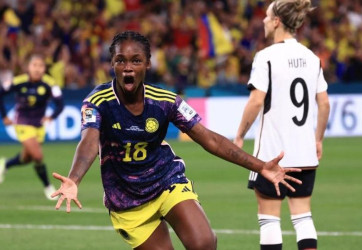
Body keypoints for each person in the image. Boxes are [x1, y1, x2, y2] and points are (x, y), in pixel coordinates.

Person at [51, 30, 302, 250]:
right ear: (112, 64)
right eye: (121, 60)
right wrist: (74, 179)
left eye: (136, 61)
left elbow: (209, 140)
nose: (128, 67)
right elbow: (88, 142)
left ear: (148, 64)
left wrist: (261, 167)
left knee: (204, 243)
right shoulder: (97, 102)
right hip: (126, 200)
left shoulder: (165, 101)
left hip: (166, 182)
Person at [234, 1, 330, 250]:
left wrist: (239, 136)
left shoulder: (266, 57)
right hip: (304, 153)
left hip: (272, 155)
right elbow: (324, 103)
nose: (263, 21)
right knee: (303, 217)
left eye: (267, 17)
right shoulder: (312, 57)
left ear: (277, 21)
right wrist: (318, 139)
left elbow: (256, 102)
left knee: (269, 219)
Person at [0, 54, 64, 200]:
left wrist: (51, 117)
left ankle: (5, 164)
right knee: (38, 156)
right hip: (22, 122)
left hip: (39, 126)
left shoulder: (50, 83)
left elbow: (60, 104)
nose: (37, 69)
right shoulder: (18, 81)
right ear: (28, 67)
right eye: (34, 65)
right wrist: (4, 116)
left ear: (44, 69)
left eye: (40, 66)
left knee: (27, 158)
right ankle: (48, 187)